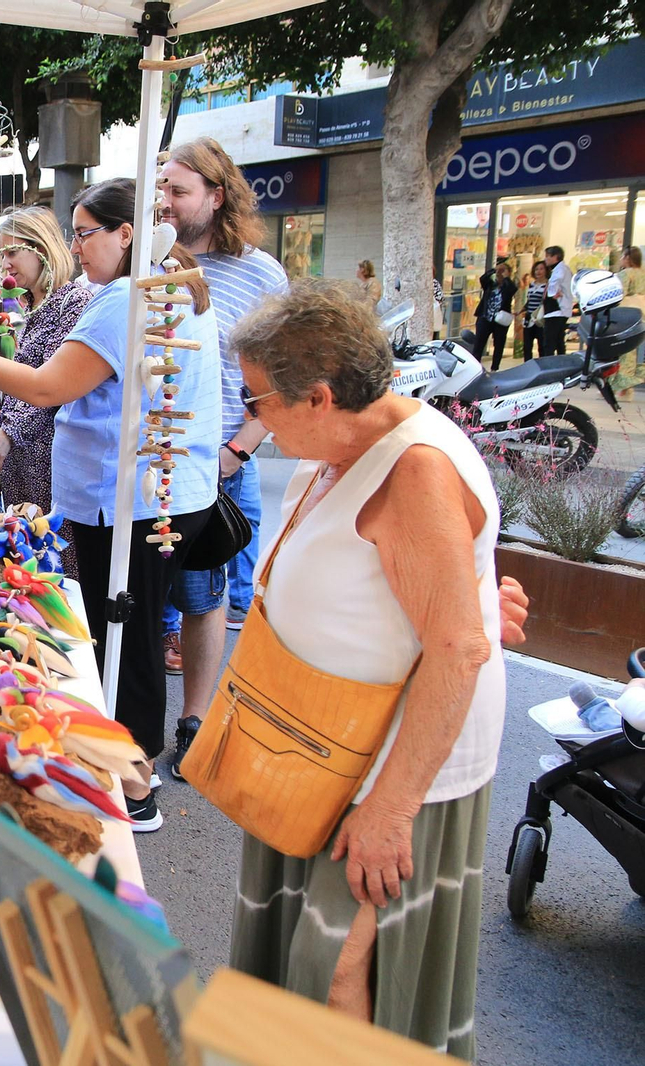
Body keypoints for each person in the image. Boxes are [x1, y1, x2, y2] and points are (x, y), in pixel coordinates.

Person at [222, 278, 506, 1057]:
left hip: (389, 767)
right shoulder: (351, 441)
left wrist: (391, 809)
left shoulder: (413, 469)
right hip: (325, 752)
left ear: (318, 397)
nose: (251, 420)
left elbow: (456, 646)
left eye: (257, 401)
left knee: (340, 970)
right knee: (309, 963)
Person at [0, 177, 220, 831]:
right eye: (74, 233)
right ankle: (117, 768)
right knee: (125, 636)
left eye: (85, 232)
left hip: (132, 502)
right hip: (159, 494)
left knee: (127, 643)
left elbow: (48, 387)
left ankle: (134, 790)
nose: (76, 246)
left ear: (125, 233)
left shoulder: (125, 301)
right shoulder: (171, 281)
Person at [156, 137, 289, 784]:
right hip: (150, 461)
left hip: (220, 467)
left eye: (179, 191)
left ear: (218, 194)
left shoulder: (261, 274)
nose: (167, 202)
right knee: (148, 593)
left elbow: (284, 382)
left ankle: (196, 724)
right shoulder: (150, 262)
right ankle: (134, 717)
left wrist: (237, 451)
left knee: (205, 597)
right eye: (162, 189)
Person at [0, 206, 91, 579]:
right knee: (24, 566)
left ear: (41, 247)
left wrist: (7, 435)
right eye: (1, 254)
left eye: (12, 252)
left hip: (51, 465)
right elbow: (16, 388)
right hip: (24, 466)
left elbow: (53, 387)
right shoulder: (32, 307)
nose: (5, 263)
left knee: (53, 569)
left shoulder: (72, 304)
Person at [470, 261, 518, 371]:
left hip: (500, 320)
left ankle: (494, 368)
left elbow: (512, 290)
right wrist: (494, 270)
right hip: (485, 317)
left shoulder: (508, 285)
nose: (500, 273)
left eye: (503, 270)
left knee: (499, 344)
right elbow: (483, 279)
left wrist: (506, 277)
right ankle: (475, 368)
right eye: (499, 271)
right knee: (479, 343)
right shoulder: (490, 284)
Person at [616, 246, 645, 399]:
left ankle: (623, 387)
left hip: (627, 316)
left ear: (627, 258)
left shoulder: (625, 274)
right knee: (635, 352)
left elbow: (620, 295)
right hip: (642, 314)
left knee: (624, 352)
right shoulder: (643, 273)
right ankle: (628, 387)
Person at [543, 246, 574, 355]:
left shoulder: (561, 269)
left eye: (547, 256)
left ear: (555, 257)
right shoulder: (561, 269)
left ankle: (549, 366)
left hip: (557, 310)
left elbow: (555, 282)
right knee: (558, 340)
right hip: (558, 310)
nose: (545, 259)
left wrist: (552, 293)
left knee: (550, 342)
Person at [520, 259, 549, 362]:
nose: (538, 272)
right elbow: (529, 300)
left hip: (540, 318)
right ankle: (527, 365)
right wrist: (521, 310)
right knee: (527, 345)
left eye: (541, 269)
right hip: (529, 318)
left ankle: (542, 365)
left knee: (542, 344)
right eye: (536, 269)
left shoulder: (548, 285)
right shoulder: (532, 285)